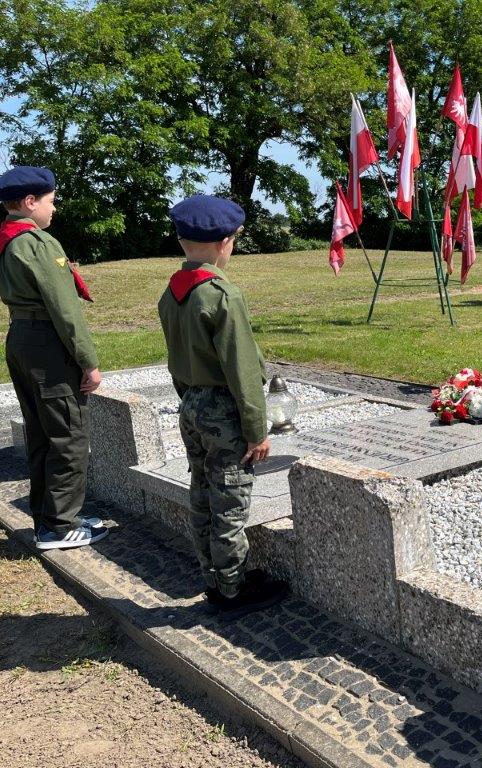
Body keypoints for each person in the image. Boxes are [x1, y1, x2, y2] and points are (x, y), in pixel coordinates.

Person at [158, 194, 288, 618]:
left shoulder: (172, 293)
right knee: (230, 496)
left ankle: (212, 574)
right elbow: (243, 370)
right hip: (223, 408)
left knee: (201, 490)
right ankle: (231, 589)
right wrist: (257, 428)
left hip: (191, 403)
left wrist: (191, 400)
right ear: (224, 243)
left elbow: (177, 361)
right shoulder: (221, 295)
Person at [0, 166, 107, 550]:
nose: (54, 208)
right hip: (47, 340)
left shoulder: (8, 240)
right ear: (30, 202)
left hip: (21, 337)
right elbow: (65, 309)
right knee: (69, 435)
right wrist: (88, 362)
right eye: (51, 200)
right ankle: (59, 527)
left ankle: (51, 515)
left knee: (43, 432)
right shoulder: (38, 243)